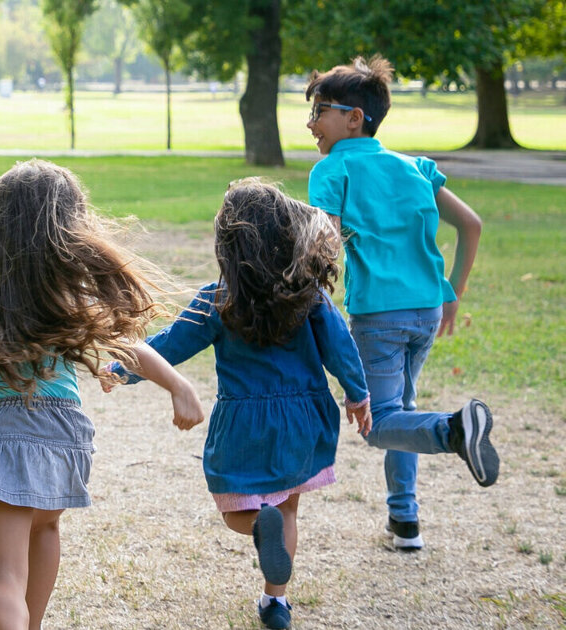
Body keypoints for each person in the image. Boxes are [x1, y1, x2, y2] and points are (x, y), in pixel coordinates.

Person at [0, 159, 204, 630]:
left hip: (7, 433)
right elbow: (131, 346)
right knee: (46, 526)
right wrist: (178, 384)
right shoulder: (69, 291)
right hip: (66, 432)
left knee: (4, 578)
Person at [105, 179, 372, 630]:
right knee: (286, 505)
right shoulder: (308, 292)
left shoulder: (217, 296)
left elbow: (171, 344)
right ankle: (277, 602)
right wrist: (358, 393)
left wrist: (122, 368)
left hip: (245, 421)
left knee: (237, 507)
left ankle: (256, 529)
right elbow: (341, 346)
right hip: (303, 418)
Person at [305, 55, 498, 551]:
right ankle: (404, 522)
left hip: (379, 315)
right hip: (428, 309)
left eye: (321, 110)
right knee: (400, 412)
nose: (311, 123)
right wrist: (452, 292)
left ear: (354, 118)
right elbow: (471, 226)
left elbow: (323, 245)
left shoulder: (331, 169)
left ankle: (455, 430)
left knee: (380, 423)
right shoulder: (415, 167)